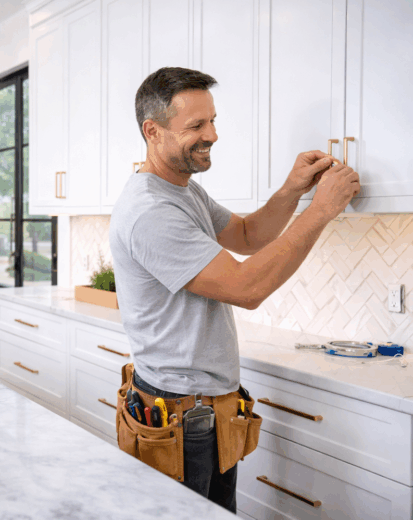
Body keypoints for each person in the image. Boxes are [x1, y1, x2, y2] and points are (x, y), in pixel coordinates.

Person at [109, 67, 359, 513]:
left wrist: (292, 190)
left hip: (205, 412)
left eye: (213, 120)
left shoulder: (183, 191)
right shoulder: (151, 210)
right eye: (196, 126)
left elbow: (246, 235)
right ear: (153, 131)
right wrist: (321, 210)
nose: (213, 134)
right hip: (179, 418)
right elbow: (248, 287)